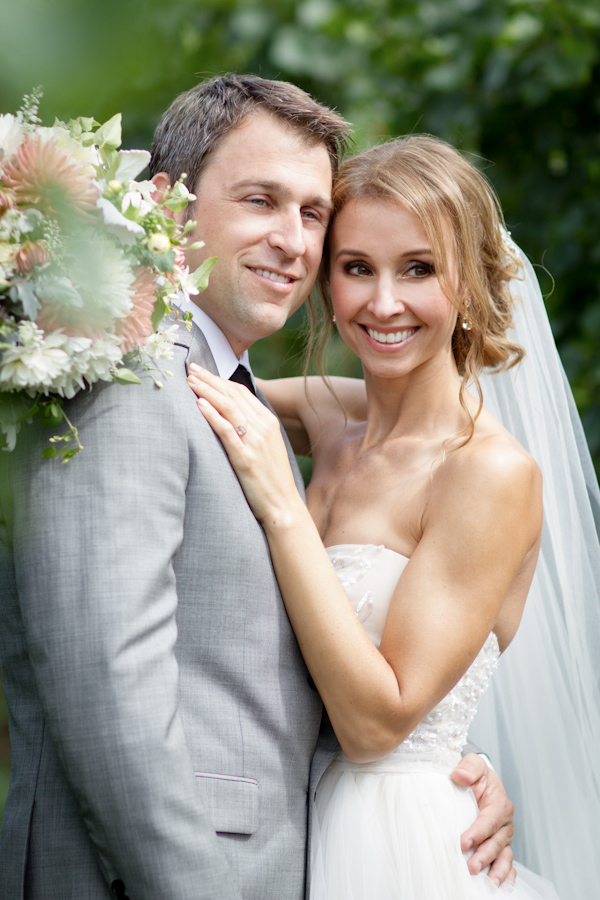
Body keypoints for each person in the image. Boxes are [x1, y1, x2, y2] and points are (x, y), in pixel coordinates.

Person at [0, 79, 516, 900]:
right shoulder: (118, 384)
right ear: (168, 204)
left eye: (312, 214)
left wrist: (449, 768)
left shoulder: (226, 394)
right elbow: (110, 688)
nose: (291, 240)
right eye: (260, 201)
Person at [187, 134, 600, 898]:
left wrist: (284, 505)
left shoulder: (490, 473)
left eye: (418, 269)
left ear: (470, 283)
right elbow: (181, 378)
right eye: (356, 269)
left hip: (404, 847)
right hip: (289, 822)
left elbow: (378, 726)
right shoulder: (327, 416)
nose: (382, 303)